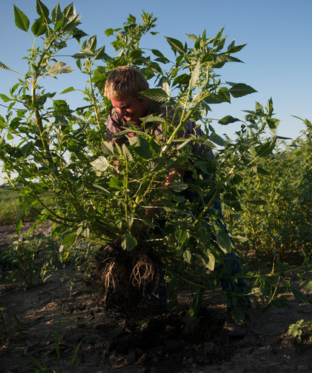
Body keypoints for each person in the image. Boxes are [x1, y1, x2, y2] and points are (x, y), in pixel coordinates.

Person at [103, 66, 250, 330]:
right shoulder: (117, 116)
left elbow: (174, 177)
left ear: (144, 96)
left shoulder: (170, 116)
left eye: (125, 107)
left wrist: (145, 215)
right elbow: (118, 160)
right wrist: (131, 197)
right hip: (153, 178)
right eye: (115, 107)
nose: (120, 113)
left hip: (196, 175)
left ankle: (239, 306)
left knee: (214, 235)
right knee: (151, 241)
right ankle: (154, 308)